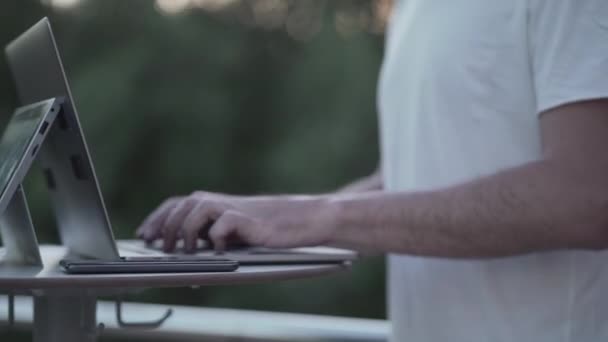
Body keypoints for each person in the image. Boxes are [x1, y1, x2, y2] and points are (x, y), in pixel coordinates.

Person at [136, 0, 608, 341]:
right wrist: (270, 220)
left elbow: (588, 195)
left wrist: (324, 215)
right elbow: (408, 176)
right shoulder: (411, 10)